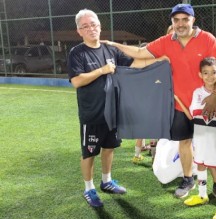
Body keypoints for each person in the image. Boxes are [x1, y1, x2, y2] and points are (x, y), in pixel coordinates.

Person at [101, 3, 216, 198]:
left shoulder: (207, 39)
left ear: (193, 20)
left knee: (208, 145)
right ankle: (188, 180)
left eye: (185, 19)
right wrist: (114, 44)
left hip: (205, 105)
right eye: (176, 20)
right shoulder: (166, 41)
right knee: (184, 142)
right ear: (172, 22)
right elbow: (140, 52)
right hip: (179, 105)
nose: (180, 24)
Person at [68, 9, 167, 207]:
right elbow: (77, 81)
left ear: (100, 26)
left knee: (109, 147)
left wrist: (161, 60)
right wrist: (102, 70)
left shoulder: (110, 50)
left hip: (113, 111)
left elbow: (134, 63)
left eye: (94, 24)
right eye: (85, 26)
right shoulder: (77, 53)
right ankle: (89, 188)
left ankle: (106, 181)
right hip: (92, 114)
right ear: (79, 31)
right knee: (89, 152)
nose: (91, 29)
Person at [175, 57, 216, 219]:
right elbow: (193, 114)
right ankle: (202, 196)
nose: (210, 76)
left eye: (214, 72)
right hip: (200, 137)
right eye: (206, 73)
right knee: (200, 164)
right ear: (200, 74)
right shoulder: (197, 93)